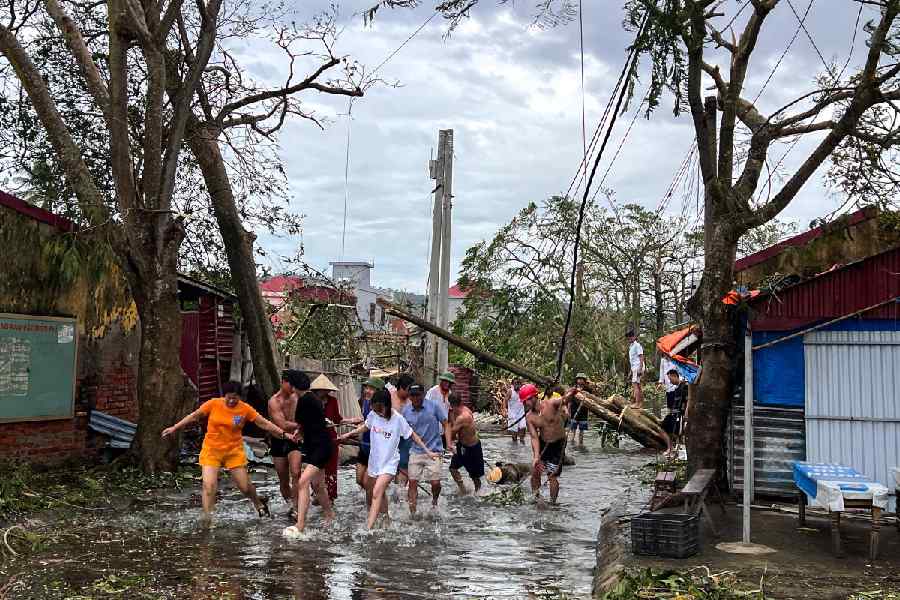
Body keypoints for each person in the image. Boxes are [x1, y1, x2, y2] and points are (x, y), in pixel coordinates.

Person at [162, 381, 294, 519]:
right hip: (211, 451)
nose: (231, 401)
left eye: (235, 398)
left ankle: (258, 503)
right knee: (209, 486)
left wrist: (284, 435)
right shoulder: (213, 404)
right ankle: (208, 518)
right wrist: (175, 427)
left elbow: (265, 424)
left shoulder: (245, 409)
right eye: (228, 397)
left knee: (244, 487)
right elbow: (194, 415)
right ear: (224, 395)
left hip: (233, 452)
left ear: (240, 397)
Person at [337, 388, 438, 529]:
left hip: (390, 464)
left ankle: (368, 527)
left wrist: (428, 451)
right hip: (374, 462)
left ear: (386, 405)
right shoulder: (373, 415)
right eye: (375, 407)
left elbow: (413, 435)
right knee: (377, 492)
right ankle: (386, 519)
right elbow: (365, 426)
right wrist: (347, 435)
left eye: (380, 407)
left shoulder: (398, 419)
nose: (377, 411)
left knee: (377, 492)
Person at [292, 372, 336, 532]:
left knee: (303, 482)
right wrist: (300, 431)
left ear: (294, 387)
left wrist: (299, 430)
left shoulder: (305, 400)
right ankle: (329, 514)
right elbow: (311, 422)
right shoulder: (312, 399)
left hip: (320, 448)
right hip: (315, 446)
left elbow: (303, 421)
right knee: (318, 485)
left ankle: (300, 524)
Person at [402, 383, 452, 515]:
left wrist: (449, 443)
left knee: (435, 483)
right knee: (412, 482)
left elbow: (446, 424)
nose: (415, 398)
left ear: (423, 395)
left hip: (434, 450)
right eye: (412, 396)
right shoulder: (406, 411)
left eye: (418, 395)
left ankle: (434, 500)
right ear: (410, 397)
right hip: (415, 451)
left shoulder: (433, 407)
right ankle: (412, 513)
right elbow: (401, 431)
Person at [523, 383, 569, 504]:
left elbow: (564, 399)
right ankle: (536, 498)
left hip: (558, 444)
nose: (526, 403)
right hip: (543, 442)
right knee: (535, 471)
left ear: (535, 397)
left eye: (528, 400)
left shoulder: (550, 404)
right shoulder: (530, 417)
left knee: (551, 476)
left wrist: (573, 393)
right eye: (524, 401)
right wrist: (536, 456)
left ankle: (553, 503)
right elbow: (534, 437)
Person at [268, 370, 302, 518]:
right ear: (283, 382)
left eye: (295, 386)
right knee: (283, 477)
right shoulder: (274, 401)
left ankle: (296, 507)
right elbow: (281, 424)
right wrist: (301, 425)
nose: (293, 388)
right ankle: (289, 503)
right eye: (291, 385)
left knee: (296, 472)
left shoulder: (297, 397)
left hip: (295, 439)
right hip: (278, 439)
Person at [309, 374, 347, 501]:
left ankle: (330, 497)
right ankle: (317, 493)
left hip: (331, 439)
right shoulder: (309, 402)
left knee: (331, 470)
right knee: (314, 469)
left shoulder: (333, 401)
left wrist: (351, 421)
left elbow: (337, 419)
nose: (325, 392)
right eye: (322, 390)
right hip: (314, 440)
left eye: (327, 390)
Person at [448, 394, 484, 495]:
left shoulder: (463, 416)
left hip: (472, 448)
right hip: (462, 446)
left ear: (453, 405)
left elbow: (451, 433)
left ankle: (478, 494)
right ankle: (463, 490)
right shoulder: (461, 410)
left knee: (474, 476)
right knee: (453, 468)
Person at [391, 374, 416, 490]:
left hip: (406, 437)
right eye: (407, 390)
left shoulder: (412, 400)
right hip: (391, 436)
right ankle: (394, 487)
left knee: (404, 462)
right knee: (392, 463)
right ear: (400, 388)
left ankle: (400, 490)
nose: (409, 393)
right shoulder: (390, 396)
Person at [661, 368, 689, 457]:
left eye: (670, 379)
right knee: (663, 427)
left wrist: (686, 414)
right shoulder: (676, 388)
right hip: (673, 413)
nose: (670, 381)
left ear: (675, 376)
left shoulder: (684, 386)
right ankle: (670, 448)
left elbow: (687, 402)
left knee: (678, 432)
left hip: (680, 414)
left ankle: (677, 451)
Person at [567, 373, 590, 448]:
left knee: (581, 431)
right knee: (572, 430)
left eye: (582, 379)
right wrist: (568, 411)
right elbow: (569, 401)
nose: (580, 381)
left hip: (583, 412)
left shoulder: (587, 390)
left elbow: (591, 402)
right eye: (579, 379)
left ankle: (580, 444)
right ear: (576, 380)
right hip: (574, 412)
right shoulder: (573, 389)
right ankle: (572, 445)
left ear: (584, 381)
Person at [505, 379, 527, 444]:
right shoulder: (510, 391)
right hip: (512, 414)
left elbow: (525, 401)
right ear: (513, 384)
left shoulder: (522, 391)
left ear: (520, 384)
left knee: (523, 427)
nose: (517, 385)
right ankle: (514, 449)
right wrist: (504, 411)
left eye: (518, 383)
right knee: (514, 434)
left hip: (521, 413)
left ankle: (522, 444)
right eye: (515, 383)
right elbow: (505, 401)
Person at [627, 330, 645, 408]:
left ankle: (637, 403)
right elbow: (632, 360)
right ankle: (640, 403)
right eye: (629, 337)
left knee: (635, 385)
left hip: (638, 367)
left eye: (631, 337)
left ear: (634, 337)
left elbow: (641, 357)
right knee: (638, 385)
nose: (629, 338)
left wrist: (640, 369)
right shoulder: (631, 346)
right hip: (634, 367)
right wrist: (630, 371)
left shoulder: (637, 345)